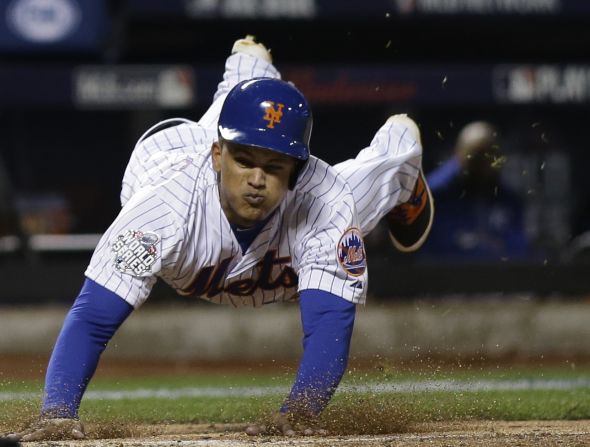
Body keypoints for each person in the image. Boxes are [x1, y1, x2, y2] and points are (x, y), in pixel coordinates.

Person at [4, 36, 433, 441]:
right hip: (170, 159)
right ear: (218, 156)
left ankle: (400, 151)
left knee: (370, 179)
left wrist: (300, 412)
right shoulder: (160, 211)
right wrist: (58, 411)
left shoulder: (322, 196)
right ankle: (247, 72)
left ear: (297, 172)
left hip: (276, 208)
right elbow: (93, 317)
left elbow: (329, 323)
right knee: (236, 117)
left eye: (275, 167)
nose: (257, 180)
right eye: (244, 162)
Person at [421, 121, 528, 259]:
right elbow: (434, 245)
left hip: (495, 276)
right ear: (459, 155)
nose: (483, 165)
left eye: (489, 156)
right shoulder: (435, 194)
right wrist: (473, 245)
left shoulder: (508, 197)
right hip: (445, 275)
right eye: (477, 156)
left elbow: (518, 246)